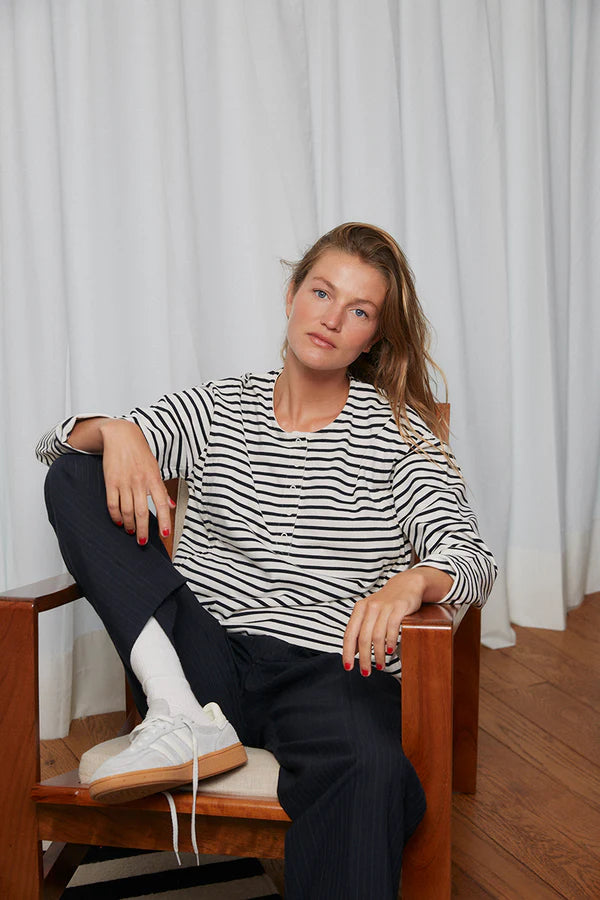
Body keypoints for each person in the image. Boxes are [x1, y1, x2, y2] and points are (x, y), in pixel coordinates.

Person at [36, 222, 497, 899]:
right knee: (78, 471)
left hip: (329, 671)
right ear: (291, 295)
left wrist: (412, 582)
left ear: (374, 336)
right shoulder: (218, 407)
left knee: (370, 770)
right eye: (322, 292)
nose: (331, 318)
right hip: (205, 663)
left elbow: (472, 556)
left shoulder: (401, 434)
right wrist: (116, 430)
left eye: (359, 311)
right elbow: (54, 450)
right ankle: (177, 712)